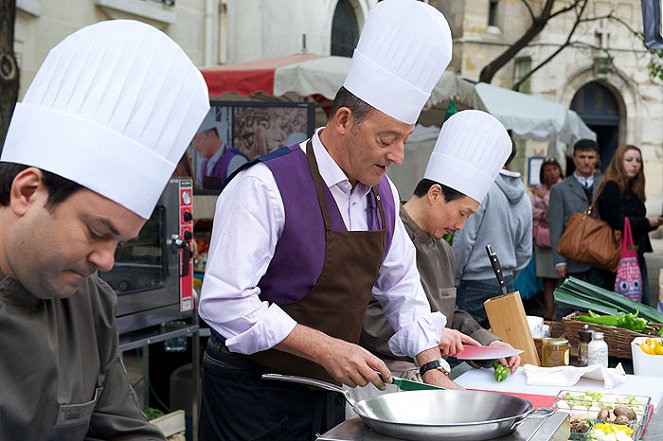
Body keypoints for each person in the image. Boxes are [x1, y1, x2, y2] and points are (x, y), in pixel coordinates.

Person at [197, 1, 454, 439]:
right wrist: (323, 346)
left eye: (404, 141)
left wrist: (432, 366)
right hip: (251, 397)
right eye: (386, 139)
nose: (398, 156)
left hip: (325, 392)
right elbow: (225, 302)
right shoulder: (264, 186)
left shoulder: (384, 196)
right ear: (344, 121)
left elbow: (401, 290)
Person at [0, 20, 209, 440]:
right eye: (98, 231)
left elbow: (123, 431)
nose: (107, 261)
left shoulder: (90, 302)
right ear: (27, 192)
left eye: (120, 242)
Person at [358, 110, 521, 394]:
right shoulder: (383, 232)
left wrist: (488, 342)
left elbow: (449, 313)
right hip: (385, 380)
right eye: (462, 213)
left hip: (435, 374)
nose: (460, 225)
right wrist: (428, 337)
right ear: (435, 194)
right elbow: (366, 315)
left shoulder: (444, 251)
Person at [452, 137, 532, 329]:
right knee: (502, 348)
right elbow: (525, 251)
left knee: (464, 348)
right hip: (507, 281)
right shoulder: (525, 197)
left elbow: (465, 238)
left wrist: (454, 276)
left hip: (474, 282)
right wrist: (509, 270)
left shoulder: (482, 188)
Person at [592, 145, 663, 304]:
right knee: (626, 304)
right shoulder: (611, 185)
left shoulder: (632, 187)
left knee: (639, 303)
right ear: (619, 162)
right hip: (616, 254)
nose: (634, 164)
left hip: (634, 253)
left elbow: (632, 220)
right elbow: (615, 220)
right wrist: (646, 222)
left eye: (638, 160)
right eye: (629, 160)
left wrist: (653, 223)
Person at [549, 139, 602, 283]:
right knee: (569, 305)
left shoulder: (605, 184)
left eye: (590, 157)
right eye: (582, 157)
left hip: (600, 258)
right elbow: (555, 228)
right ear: (574, 158)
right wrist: (559, 261)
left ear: (596, 159)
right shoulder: (560, 189)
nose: (586, 161)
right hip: (572, 260)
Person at [530, 158, 564, 319]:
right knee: (546, 279)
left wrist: (544, 197)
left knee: (559, 279)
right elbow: (531, 210)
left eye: (554, 169)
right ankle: (548, 311)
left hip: (559, 241)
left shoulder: (564, 187)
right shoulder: (538, 188)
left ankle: (558, 311)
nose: (551, 173)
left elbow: (557, 207)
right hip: (542, 240)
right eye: (548, 170)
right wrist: (544, 214)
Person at [191, 122, 248, 189]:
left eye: (198, 141)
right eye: (193, 142)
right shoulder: (204, 163)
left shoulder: (236, 160)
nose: (194, 146)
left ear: (212, 135)